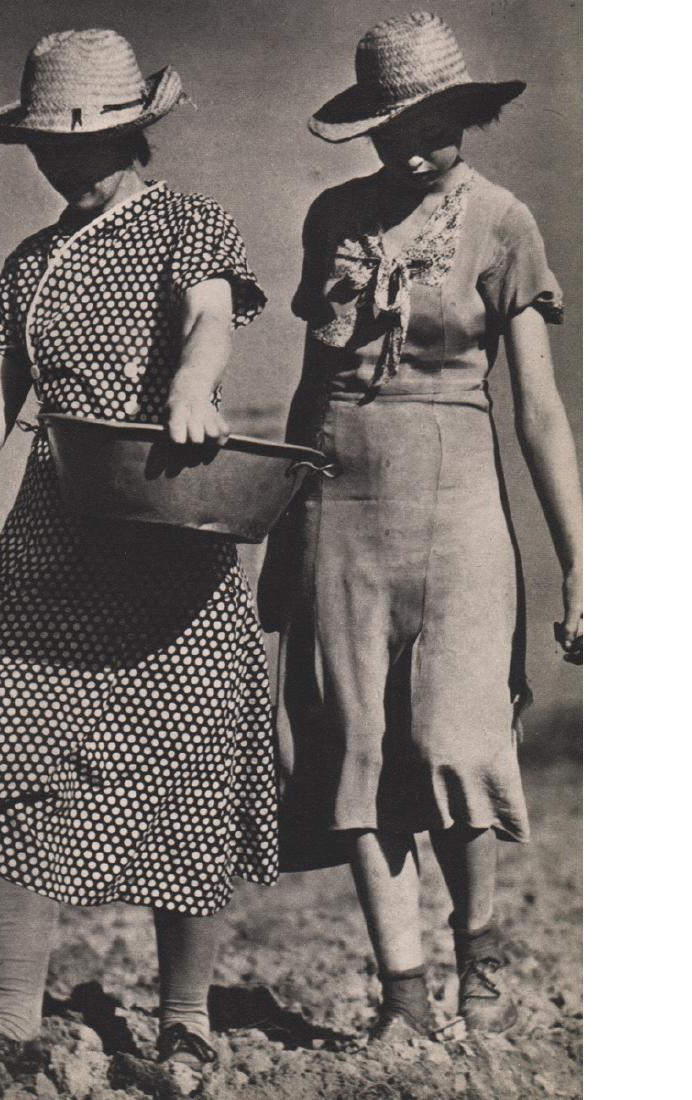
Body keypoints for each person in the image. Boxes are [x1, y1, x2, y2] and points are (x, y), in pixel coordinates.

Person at [0, 28, 278, 1082]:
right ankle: (11, 1026)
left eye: (98, 137)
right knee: (7, 748)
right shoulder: (27, 266)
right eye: (53, 144)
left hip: (174, 526)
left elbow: (209, 315)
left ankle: (186, 1024)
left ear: (136, 131)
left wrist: (193, 385)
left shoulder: (187, 224)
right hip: (52, 537)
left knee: (187, 765)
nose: (71, 159)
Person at [259, 12, 582, 1041]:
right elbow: (314, 385)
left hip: (458, 509)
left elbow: (535, 408)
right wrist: (278, 535)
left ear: (464, 111)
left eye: (427, 121)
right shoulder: (332, 216)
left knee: (454, 739)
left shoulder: (501, 221)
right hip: (335, 509)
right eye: (385, 126)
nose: (404, 145)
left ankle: (478, 963)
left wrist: (582, 566)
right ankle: (401, 995)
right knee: (355, 749)